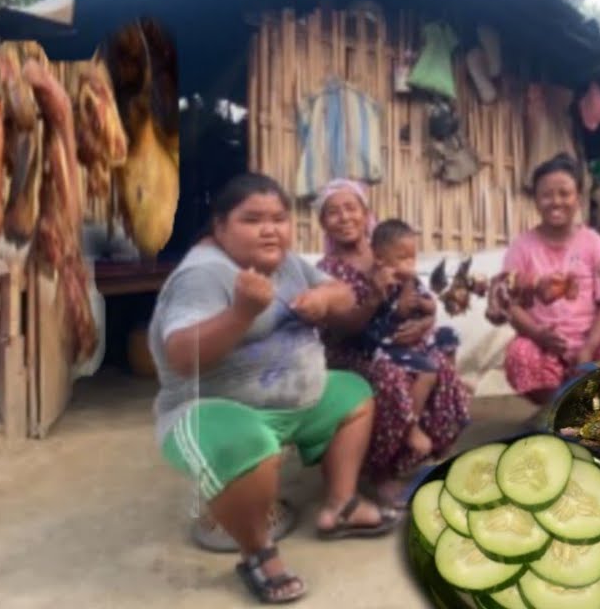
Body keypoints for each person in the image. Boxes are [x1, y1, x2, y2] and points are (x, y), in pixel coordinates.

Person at [149, 173, 400, 605]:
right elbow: (179, 354)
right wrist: (241, 314)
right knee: (250, 445)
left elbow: (339, 290)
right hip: (209, 408)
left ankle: (339, 505)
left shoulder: (285, 263)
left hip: (292, 401)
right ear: (221, 226)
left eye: (279, 219)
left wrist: (325, 300)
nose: (270, 229)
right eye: (253, 219)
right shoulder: (203, 275)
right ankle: (257, 552)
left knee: (354, 393)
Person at [314, 179, 470, 508]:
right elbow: (341, 328)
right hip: (351, 351)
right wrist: (373, 299)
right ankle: (381, 472)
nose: (344, 217)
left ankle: (408, 460)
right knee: (387, 377)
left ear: (365, 213)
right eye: (333, 212)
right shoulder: (325, 271)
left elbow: (421, 295)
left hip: (395, 344)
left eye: (350, 208)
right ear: (322, 223)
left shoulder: (388, 250)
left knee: (438, 364)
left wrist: (426, 319)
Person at [502, 154, 600, 405]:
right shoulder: (522, 246)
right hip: (543, 342)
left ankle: (590, 409)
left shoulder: (593, 243)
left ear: (578, 197)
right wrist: (537, 334)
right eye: (546, 195)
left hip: (590, 339)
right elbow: (510, 304)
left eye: (564, 193)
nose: (556, 201)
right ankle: (553, 409)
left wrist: (588, 347)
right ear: (535, 200)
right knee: (519, 354)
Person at [366, 219, 461, 458]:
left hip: (416, 339)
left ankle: (455, 383)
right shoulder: (384, 281)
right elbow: (401, 311)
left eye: (412, 258)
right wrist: (408, 281)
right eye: (403, 258)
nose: (410, 264)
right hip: (390, 345)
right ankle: (411, 424)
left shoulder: (412, 281)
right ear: (380, 259)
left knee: (450, 336)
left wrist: (428, 305)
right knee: (428, 371)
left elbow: (429, 304)